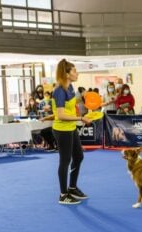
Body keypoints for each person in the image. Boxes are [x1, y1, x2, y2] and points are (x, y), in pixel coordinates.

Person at [52, 59, 92, 205]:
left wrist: (83, 103)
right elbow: (61, 115)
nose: (77, 73)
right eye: (74, 71)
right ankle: (63, 195)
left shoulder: (70, 88)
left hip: (71, 128)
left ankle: (72, 188)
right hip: (62, 130)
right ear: (66, 74)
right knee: (65, 161)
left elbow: (69, 107)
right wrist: (81, 118)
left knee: (79, 156)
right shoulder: (59, 91)